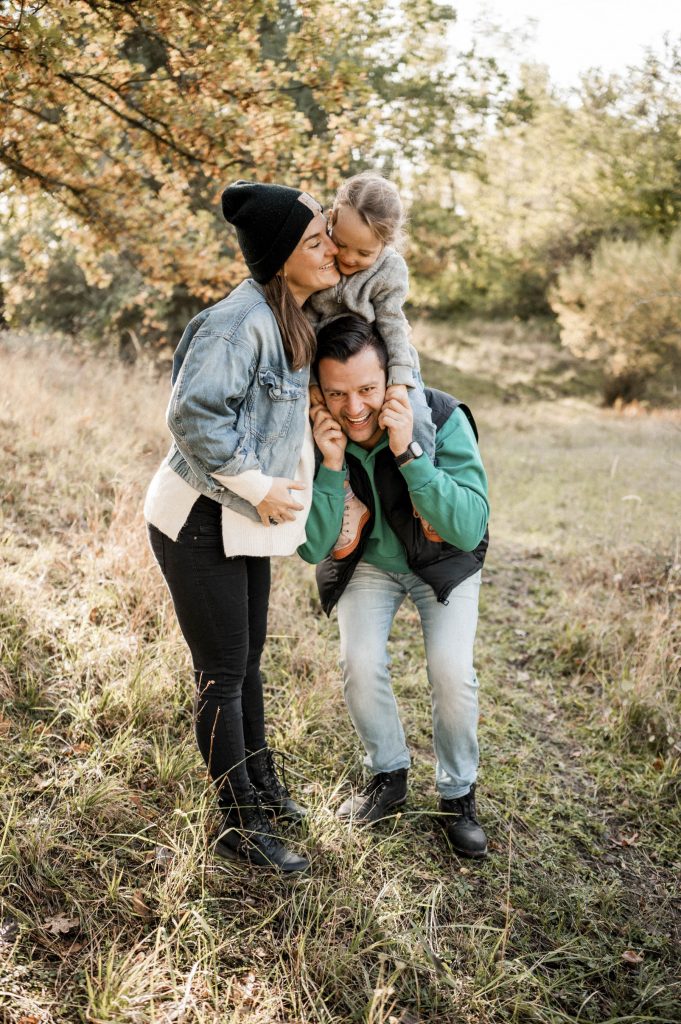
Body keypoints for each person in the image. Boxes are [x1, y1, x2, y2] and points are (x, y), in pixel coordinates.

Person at [144, 180, 340, 874]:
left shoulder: (286, 312)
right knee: (222, 672)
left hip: (239, 523)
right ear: (281, 252)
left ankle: (260, 785)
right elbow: (194, 418)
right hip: (198, 521)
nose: (331, 251)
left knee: (247, 661)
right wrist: (259, 486)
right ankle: (238, 824)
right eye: (316, 241)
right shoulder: (238, 322)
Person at [298, 315, 490, 858]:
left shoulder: (441, 416)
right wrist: (332, 465)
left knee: (451, 673)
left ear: (392, 379)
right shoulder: (314, 432)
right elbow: (312, 547)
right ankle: (388, 776)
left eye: (366, 390)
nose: (354, 408)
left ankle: (458, 794)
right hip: (369, 566)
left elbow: (470, 524)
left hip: (441, 563)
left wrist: (409, 453)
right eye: (337, 393)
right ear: (318, 391)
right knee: (359, 662)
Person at [306, 171, 438, 560]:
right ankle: (346, 498)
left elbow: (395, 327)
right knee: (318, 424)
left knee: (417, 416)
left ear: (386, 245)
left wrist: (399, 382)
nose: (347, 258)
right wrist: (311, 384)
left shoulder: (390, 270)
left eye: (363, 254)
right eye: (342, 243)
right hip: (329, 366)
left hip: (386, 362)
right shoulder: (319, 256)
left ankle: (423, 491)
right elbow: (306, 322)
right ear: (331, 218)